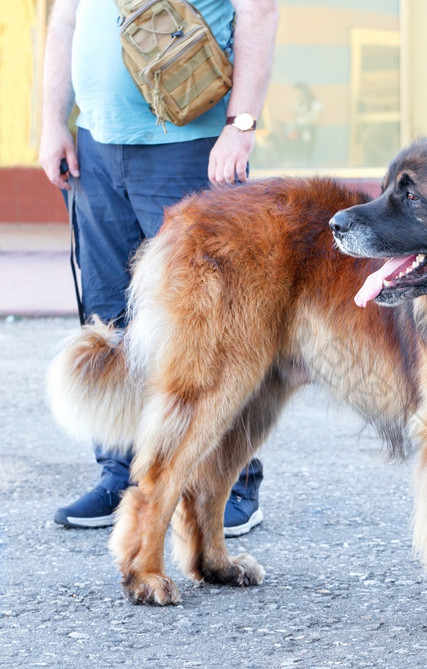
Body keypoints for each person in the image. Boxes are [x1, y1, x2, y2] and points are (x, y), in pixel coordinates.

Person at [39, 0, 279, 535]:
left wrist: (240, 125)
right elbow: (66, 20)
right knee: (109, 313)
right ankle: (124, 473)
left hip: (190, 145)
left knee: (212, 324)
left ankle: (229, 484)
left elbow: (259, 9)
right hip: (96, 148)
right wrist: (53, 120)